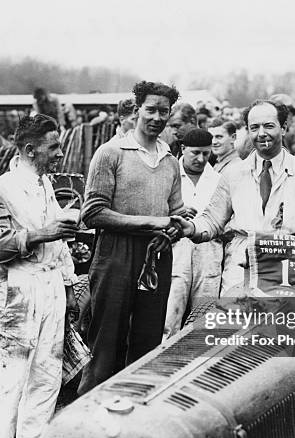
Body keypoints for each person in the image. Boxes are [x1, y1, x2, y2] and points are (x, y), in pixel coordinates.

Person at [0, 114, 79, 438]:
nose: (60, 153)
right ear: (30, 149)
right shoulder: (0, 189)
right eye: (53, 147)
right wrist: (39, 234)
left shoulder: (44, 184)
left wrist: (69, 286)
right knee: (8, 378)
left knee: (47, 373)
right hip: (16, 291)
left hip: (50, 289)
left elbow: (59, 241)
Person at [78, 80, 183, 395]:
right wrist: (151, 223)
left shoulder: (170, 161)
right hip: (116, 254)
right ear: (137, 110)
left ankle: (133, 411)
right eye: (150, 109)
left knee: (147, 341)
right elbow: (93, 212)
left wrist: (171, 232)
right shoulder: (111, 153)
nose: (156, 117)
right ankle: (88, 409)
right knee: (106, 341)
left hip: (156, 256)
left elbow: (176, 213)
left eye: (163, 111)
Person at [172, 100, 295, 295]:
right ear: (247, 131)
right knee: (237, 322)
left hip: (288, 267)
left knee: (281, 323)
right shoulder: (234, 173)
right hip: (240, 266)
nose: (261, 133)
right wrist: (192, 228)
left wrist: (287, 251)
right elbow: (213, 219)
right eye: (254, 127)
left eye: (269, 126)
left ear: (284, 128)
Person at [164, 128, 222, 338]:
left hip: (209, 254)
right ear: (183, 149)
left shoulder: (218, 180)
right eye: (195, 153)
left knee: (205, 320)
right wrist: (173, 214)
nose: (200, 159)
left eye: (206, 154)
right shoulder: (168, 174)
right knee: (169, 318)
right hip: (176, 251)